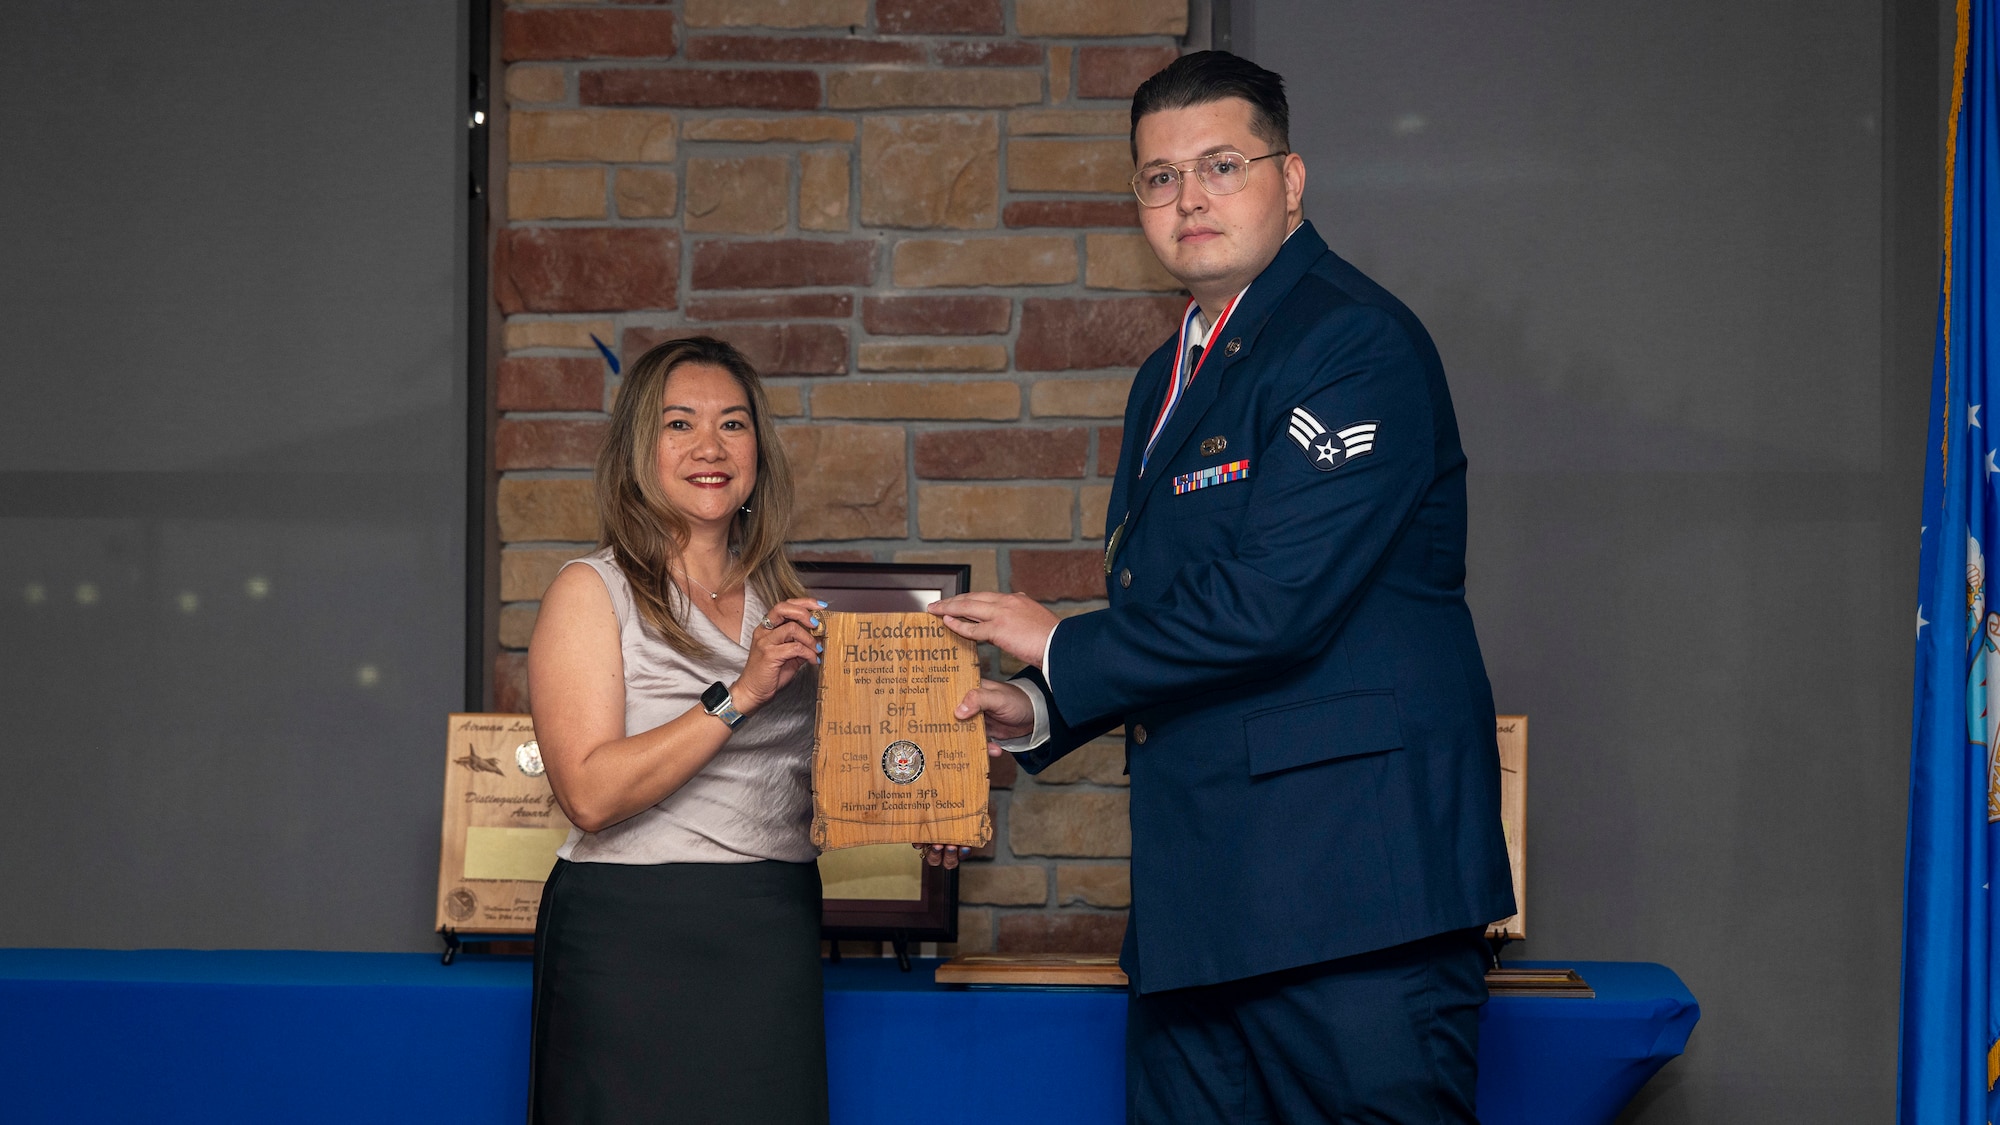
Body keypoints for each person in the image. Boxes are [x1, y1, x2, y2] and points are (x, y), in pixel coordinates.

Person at [925, 52, 1517, 1123]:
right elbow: (1179, 614)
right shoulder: (1170, 372)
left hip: (1349, 910)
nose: (1188, 197)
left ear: (1290, 180)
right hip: (1204, 915)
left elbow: (1276, 602)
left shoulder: (1351, 340)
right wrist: (1040, 707)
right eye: (1158, 176)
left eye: (1220, 164)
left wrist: (1059, 642)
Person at [525, 335, 830, 1123]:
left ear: (758, 449)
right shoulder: (591, 591)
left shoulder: (787, 601)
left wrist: (926, 804)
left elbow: (817, 780)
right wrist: (739, 695)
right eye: (679, 424)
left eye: (732, 425)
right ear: (639, 449)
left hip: (771, 925)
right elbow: (588, 794)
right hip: (630, 933)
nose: (709, 447)